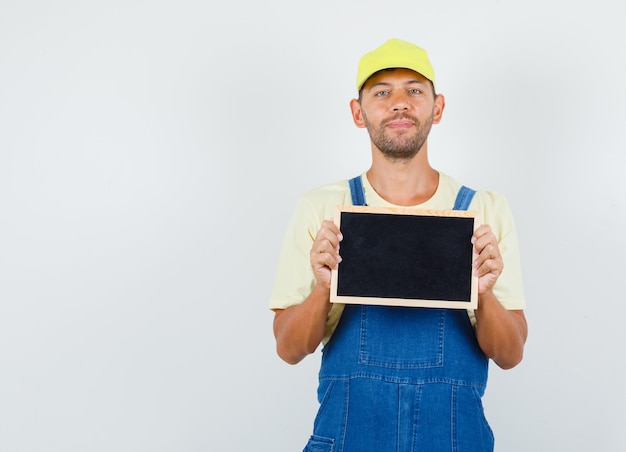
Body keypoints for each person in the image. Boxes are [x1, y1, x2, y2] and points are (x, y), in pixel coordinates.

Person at [269, 38, 528, 452]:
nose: (399, 103)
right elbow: (288, 348)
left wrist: (484, 292)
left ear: (437, 107)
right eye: (382, 92)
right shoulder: (323, 209)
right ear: (358, 113)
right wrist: (323, 287)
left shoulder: (483, 211)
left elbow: (511, 354)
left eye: (414, 90)